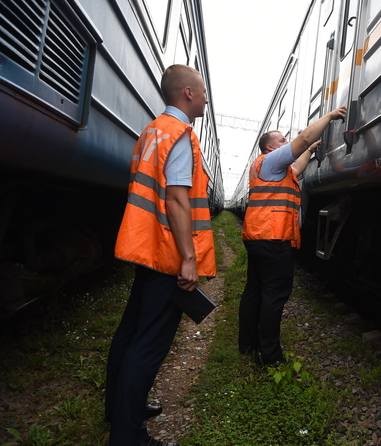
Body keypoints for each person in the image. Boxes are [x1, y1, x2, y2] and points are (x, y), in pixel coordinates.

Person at [105, 64, 216, 446]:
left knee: (129, 333)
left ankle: (119, 410)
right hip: (168, 253)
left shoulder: (152, 131)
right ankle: (129, 435)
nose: (205, 98)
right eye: (202, 92)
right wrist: (189, 258)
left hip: (146, 247)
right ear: (187, 93)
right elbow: (177, 200)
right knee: (148, 345)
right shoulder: (181, 134)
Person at [239, 106, 347, 365]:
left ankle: (248, 344)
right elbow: (304, 139)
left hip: (259, 237)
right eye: (282, 140)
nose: (287, 143)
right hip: (273, 239)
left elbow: (298, 164)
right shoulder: (271, 160)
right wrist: (330, 116)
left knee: (255, 291)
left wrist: (310, 151)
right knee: (274, 296)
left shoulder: (275, 170)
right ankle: (271, 356)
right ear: (270, 148)